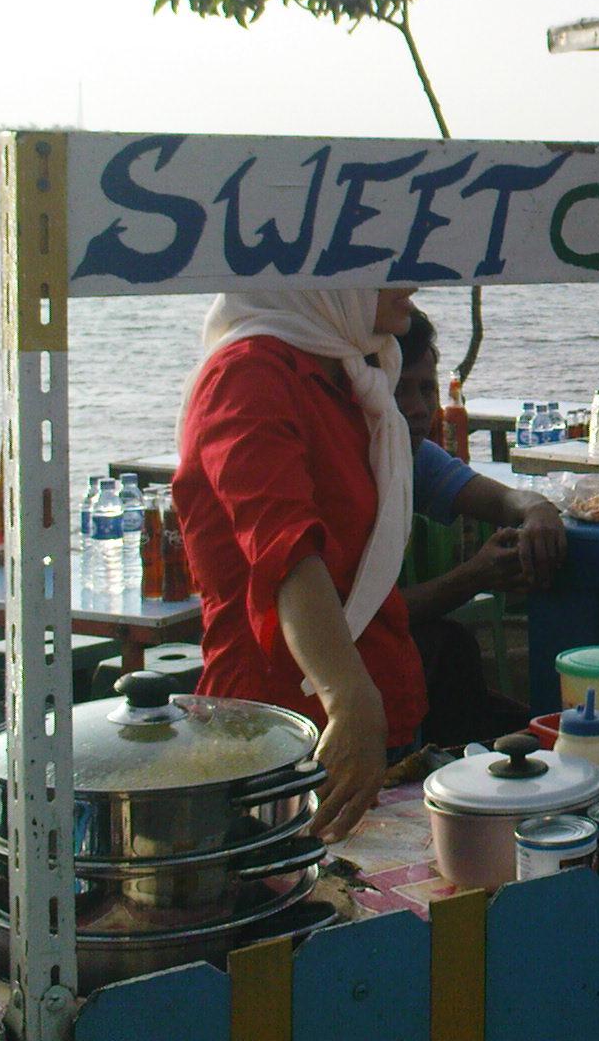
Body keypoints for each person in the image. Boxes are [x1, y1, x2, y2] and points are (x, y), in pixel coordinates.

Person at [174, 287, 427, 843]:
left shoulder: (350, 371)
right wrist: (347, 696)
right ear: (328, 275)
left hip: (373, 719)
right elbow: (284, 549)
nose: (413, 282)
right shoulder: (247, 377)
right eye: (387, 264)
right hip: (280, 738)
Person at [391, 307, 568, 747]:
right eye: (399, 390)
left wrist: (538, 510)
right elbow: (361, 618)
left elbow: (503, 498)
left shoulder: (414, 457)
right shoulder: (343, 466)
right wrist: (474, 576)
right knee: (449, 649)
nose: (417, 409)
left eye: (426, 389)